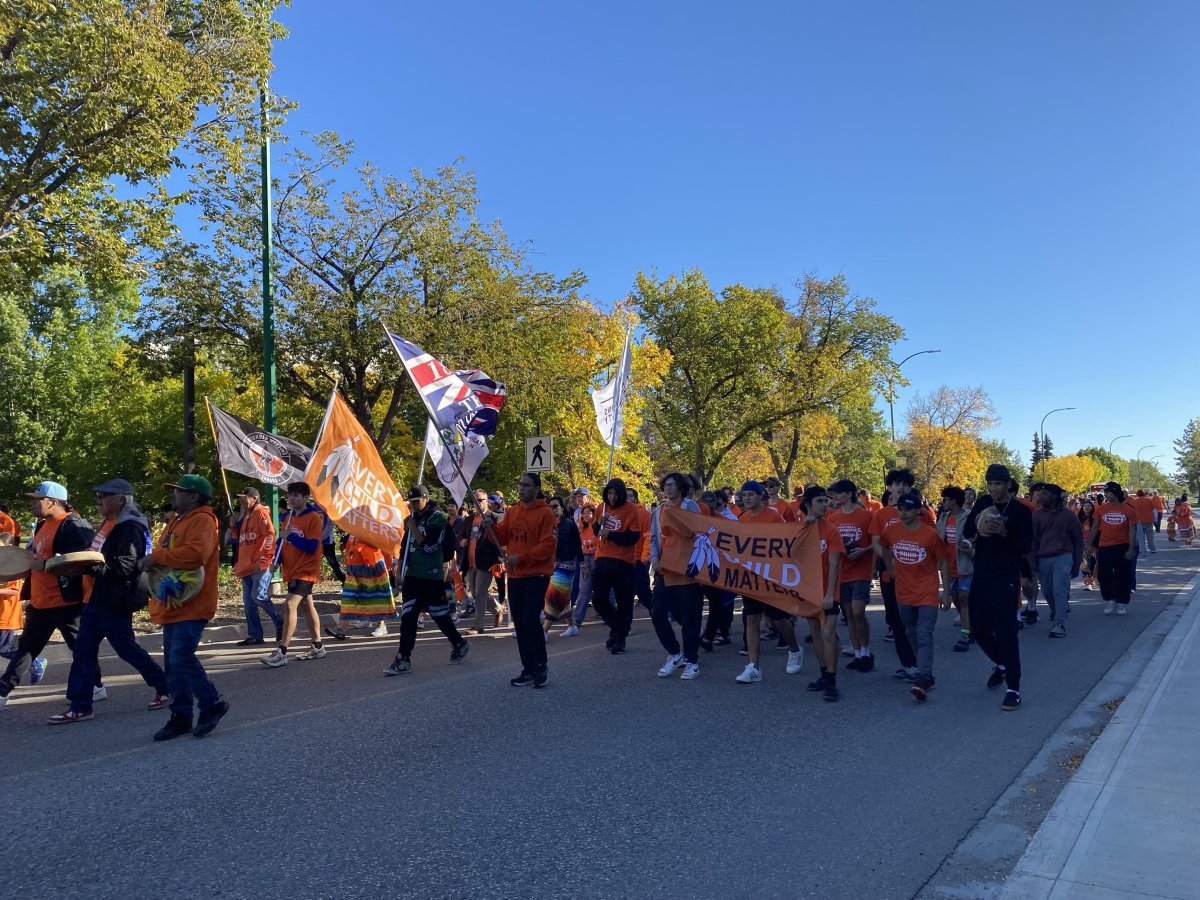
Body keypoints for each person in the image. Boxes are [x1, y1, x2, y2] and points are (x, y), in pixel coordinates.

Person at [49, 479, 170, 724]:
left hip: (114, 599)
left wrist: (86, 567)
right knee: (84, 650)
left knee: (125, 649)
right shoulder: (110, 523)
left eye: (103, 496)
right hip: (97, 598)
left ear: (122, 499)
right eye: (98, 497)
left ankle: (166, 685)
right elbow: (100, 557)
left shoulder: (130, 526)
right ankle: (81, 705)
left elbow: (126, 567)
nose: (99, 501)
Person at [139, 473, 228, 740]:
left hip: (193, 601)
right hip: (175, 602)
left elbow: (196, 555)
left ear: (192, 496)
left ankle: (211, 704)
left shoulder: (202, 519)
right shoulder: (179, 520)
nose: (173, 495)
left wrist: (156, 557)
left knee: (180, 657)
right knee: (172, 661)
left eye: (178, 491)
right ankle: (181, 716)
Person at [0, 481, 100, 711]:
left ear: (53, 501)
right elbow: (32, 558)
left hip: (67, 601)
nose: (32, 504)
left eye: (37, 500)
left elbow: (82, 560)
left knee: (80, 647)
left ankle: (96, 685)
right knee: (27, 648)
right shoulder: (41, 526)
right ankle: (3, 690)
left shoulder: (74, 525)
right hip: (41, 600)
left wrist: (45, 564)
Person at [961, 464, 1033, 712]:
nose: (993, 489)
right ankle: (1001, 663)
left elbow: (1025, 546)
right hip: (981, 574)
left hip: (1006, 576)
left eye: (998, 484)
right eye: (990, 484)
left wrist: (1004, 531)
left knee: (1006, 631)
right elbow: (969, 529)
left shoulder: (1021, 511)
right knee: (979, 630)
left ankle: (1014, 688)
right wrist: (975, 530)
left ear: (1008, 484)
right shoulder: (982, 503)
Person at [384, 485, 470, 675]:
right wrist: (399, 569)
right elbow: (406, 544)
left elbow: (430, 548)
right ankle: (403, 658)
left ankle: (459, 642)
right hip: (413, 575)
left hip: (431, 575)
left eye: (416, 501)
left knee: (439, 615)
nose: (413, 505)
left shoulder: (437, 518)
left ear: (426, 498)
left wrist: (413, 528)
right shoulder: (413, 518)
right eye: (411, 502)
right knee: (408, 617)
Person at [880, 492, 949, 701]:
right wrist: (890, 567)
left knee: (923, 633)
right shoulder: (891, 531)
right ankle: (924, 670)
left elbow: (944, 561)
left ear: (918, 510)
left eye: (907, 509)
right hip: (904, 591)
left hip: (927, 592)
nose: (903, 513)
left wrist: (946, 591)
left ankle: (924, 677)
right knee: (910, 631)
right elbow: (883, 546)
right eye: (900, 509)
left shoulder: (930, 534)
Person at [489, 472, 556, 687]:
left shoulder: (546, 514)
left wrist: (522, 557)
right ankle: (528, 667)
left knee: (529, 619)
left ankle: (540, 664)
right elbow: (501, 537)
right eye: (519, 485)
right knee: (519, 623)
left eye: (526, 485)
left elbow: (547, 546)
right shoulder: (513, 512)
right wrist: (488, 528)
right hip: (515, 575)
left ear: (536, 489)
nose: (521, 489)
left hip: (537, 574)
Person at [733, 480, 804, 683]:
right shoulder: (743, 518)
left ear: (760, 496)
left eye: (750, 494)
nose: (746, 498)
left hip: (771, 576)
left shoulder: (773, 516)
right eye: (744, 495)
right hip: (751, 577)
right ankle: (753, 666)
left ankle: (794, 649)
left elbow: (785, 542)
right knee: (751, 619)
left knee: (779, 619)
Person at [869, 469, 932, 678]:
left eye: (905, 484)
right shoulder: (882, 514)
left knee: (915, 622)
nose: (901, 487)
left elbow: (932, 540)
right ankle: (908, 664)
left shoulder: (922, 512)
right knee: (897, 620)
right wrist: (890, 559)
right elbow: (876, 542)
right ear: (890, 487)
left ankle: (921, 664)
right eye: (897, 483)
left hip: (918, 574)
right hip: (891, 574)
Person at [262, 482, 326, 666]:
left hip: (306, 570)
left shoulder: (314, 518)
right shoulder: (288, 517)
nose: (292, 498)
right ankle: (318, 646)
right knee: (307, 605)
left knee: (290, 605)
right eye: (290, 495)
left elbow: (312, 546)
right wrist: (277, 561)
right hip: (291, 569)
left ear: (306, 498)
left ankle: (281, 651)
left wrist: (290, 536)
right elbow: (283, 543)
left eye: (297, 495)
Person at [649, 472, 703, 680]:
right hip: (665, 570)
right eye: (666, 485)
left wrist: (675, 516)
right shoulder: (659, 510)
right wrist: (654, 557)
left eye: (673, 485)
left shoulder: (690, 507)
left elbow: (696, 532)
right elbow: (654, 538)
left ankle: (692, 661)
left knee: (690, 617)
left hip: (687, 571)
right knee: (657, 612)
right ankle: (674, 653)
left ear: (681, 487)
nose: (669, 488)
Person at [798, 486, 845, 701]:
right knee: (815, 632)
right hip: (809, 590)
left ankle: (832, 681)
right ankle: (823, 673)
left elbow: (834, 565)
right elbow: (789, 556)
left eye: (826, 501)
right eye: (820, 501)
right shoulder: (799, 529)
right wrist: (804, 529)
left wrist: (829, 594)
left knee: (828, 633)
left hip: (829, 590)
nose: (825, 505)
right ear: (808, 504)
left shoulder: (832, 530)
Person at [589, 478, 641, 655]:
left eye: (615, 493)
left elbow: (633, 537)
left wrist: (611, 535)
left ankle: (620, 639)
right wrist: (598, 524)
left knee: (624, 602)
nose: (612, 497)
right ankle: (618, 628)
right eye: (609, 493)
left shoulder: (631, 510)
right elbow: (596, 531)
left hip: (623, 562)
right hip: (602, 559)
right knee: (598, 599)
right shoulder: (601, 508)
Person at [827, 479, 876, 671]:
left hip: (861, 571)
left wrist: (864, 550)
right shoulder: (833, 518)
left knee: (858, 612)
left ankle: (866, 651)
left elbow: (877, 542)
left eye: (838, 493)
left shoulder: (865, 516)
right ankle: (857, 654)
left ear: (849, 494)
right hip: (842, 572)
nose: (835, 496)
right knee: (849, 615)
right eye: (834, 493)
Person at [1029, 483, 1083, 638]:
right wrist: (1032, 560)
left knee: (1060, 589)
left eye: (1045, 494)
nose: (1041, 497)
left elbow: (1078, 540)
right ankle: (1055, 610)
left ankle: (1059, 623)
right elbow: (1033, 540)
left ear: (1055, 496)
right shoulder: (1037, 515)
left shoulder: (1069, 515)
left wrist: (1076, 562)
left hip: (1063, 556)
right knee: (1047, 590)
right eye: (1040, 494)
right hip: (1043, 557)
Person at [230, 486, 280, 646]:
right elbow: (241, 538)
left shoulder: (261, 513)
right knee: (249, 603)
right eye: (240, 498)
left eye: (245, 498)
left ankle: (280, 621)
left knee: (257, 596)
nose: (242, 501)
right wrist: (232, 526)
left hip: (259, 565)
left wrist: (264, 559)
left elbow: (270, 535)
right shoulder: (246, 516)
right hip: (246, 566)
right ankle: (255, 635)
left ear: (255, 498)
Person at [327, 535, 395, 639]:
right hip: (354, 566)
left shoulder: (372, 525)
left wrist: (389, 562)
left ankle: (381, 626)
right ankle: (342, 629)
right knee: (349, 597)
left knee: (376, 597)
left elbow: (383, 542)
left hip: (372, 564)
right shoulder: (354, 524)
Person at [1090, 482, 1137, 615]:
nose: (1106, 495)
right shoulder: (1100, 510)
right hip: (1104, 546)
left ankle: (1122, 602)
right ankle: (1110, 598)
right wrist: (1089, 544)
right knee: (1104, 574)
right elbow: (1094, 527)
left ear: (1116, 493)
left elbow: (1132, 531)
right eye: (1105, 493)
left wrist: (1130, 549)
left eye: (1108, 492)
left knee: (1123, 575)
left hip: (1122, 546)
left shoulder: (1129, 510)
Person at [698, 489, 737, 650]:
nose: (710, 508)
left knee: (718, 602)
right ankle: (706, 633)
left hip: (720, 567)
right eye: (705, 505)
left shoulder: (727, 521)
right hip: (700, 567)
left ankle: (712, 634)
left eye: (713, 505)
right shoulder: (696, 520)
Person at [938, 486, 974, 651]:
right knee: (957, 600)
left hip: (965, 567)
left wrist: (971, 550)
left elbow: (977, 540)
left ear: (953, 501)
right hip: (948, 568)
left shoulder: (969, 518)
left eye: (945, 500)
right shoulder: (944, 518)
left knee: (965, 600)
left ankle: (965, 636)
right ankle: (970, 626)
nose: (942, 502)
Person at [466, 492, 505, 633]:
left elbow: (500, 542)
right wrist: (462, 541)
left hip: (487, 561)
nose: (477, 503)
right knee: (475, 593)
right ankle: (497, 608)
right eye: (475, 500)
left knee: (481, 592)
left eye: (481, 500)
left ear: (487, 501)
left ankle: (478, 625)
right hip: (471, 562)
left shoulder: (495, 518)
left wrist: (498, 560)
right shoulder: (469, 519)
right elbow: (464, 536)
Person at [543, 496, 581, 638]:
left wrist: (583, 565)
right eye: (550, 507)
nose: (553, 509)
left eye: (556, 506)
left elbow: (578, 545)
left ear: (562, 508)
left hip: (567, 564)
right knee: (562, 598)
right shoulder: (548, 525)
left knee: (554, 596)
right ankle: (572, 626)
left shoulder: (570, 524)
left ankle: (544, 631)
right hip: (551, 564)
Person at [562, 504, 598, 636]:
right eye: (584, 513)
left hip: (597, 558)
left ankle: (611, 614)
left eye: (589, 513)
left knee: (602, 589)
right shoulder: (580, 528)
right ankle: (577, 619)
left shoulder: (597, 527)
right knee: (584, 589)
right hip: (584, 559)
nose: (586, 515)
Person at [628, 487, 654, 616]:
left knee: (642, 590)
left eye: (630, 496)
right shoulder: (621, 513)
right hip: (624, 559)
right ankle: (625, 623)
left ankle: (657, 612)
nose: (627, 498)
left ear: (636, 498)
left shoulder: (644, 514)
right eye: (625, 496)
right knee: (625, 593)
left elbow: (648, 537)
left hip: (638, 559)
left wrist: (644, 557)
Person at [0, 533, 23, 659]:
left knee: (4, 649)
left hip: (6, 617)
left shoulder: (14, 567)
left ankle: (33, 662)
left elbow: (15, 591)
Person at [1078, 500, 1098, 589]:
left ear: (1092, 508)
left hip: (1095, 544)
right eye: (1085, 506)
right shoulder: (1078, 518)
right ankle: (1088, 583)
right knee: (1085, 564)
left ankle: (1095, 579)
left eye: (1089, 506)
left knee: (1095, 563)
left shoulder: (1096, 518)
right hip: (1083, 544)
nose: (1087, 508)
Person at [1131, 490, 1157, 554]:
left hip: (1139, 522)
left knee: (1140, 537)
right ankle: (1152, 549)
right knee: (1150, 536)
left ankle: (1140, 548)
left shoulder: (1134, 501)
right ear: (1144, 494)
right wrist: (1155, 519)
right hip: (1149, 521)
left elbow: (1132, 512)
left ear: (1137, 494)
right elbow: (1154, 511)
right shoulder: (1149, 500)